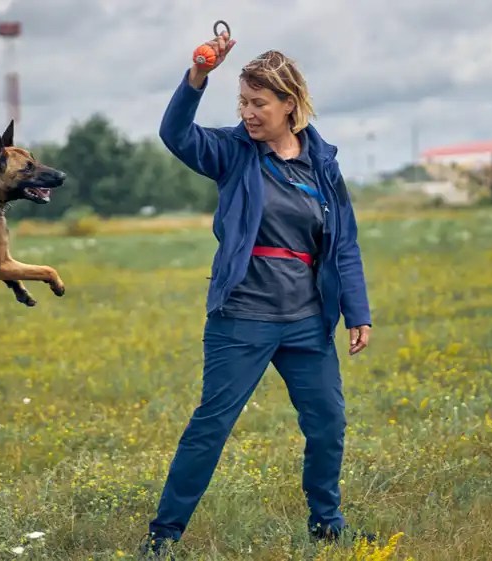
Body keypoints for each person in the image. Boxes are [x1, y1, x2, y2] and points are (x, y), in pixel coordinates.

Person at [139, 29, 373, 558]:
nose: (247, 112)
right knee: (211, 426)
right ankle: (163, 536)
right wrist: (198, 77)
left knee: (329, 424)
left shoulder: (323, 163)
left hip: (308, 320)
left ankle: (327, 525)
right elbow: (175, 134)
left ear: (290, 104)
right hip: (241, 316)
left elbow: (344, 243)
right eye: (242, 101)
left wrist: (357, 311)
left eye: (259, 103)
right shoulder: (231, 152)